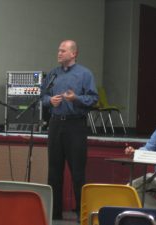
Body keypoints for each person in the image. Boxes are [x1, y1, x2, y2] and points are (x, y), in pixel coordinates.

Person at [42, 40, 98, 220]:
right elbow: (41, 96)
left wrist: (76, 99)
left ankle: (82, 215)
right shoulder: (53, 74)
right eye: (58, 50)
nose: (59, 53)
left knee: (78, 172)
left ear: (73, 54)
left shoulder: (85, 74)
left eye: (63, 50)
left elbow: (93, 99)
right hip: (55, 124)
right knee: (54, 171)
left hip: (75, 126)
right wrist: (49, 101)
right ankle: (54, 214)